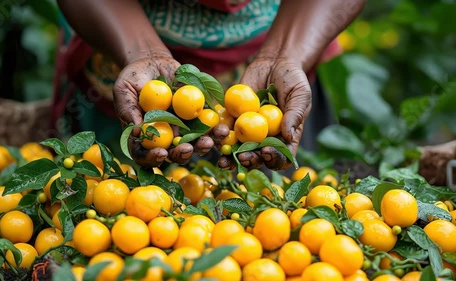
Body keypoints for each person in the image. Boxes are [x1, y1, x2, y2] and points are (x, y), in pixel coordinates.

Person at [54, 0, 366, 170]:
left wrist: (283, 55)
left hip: (284, 39)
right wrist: (141, 52)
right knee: (110, 202)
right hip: (116, 46)